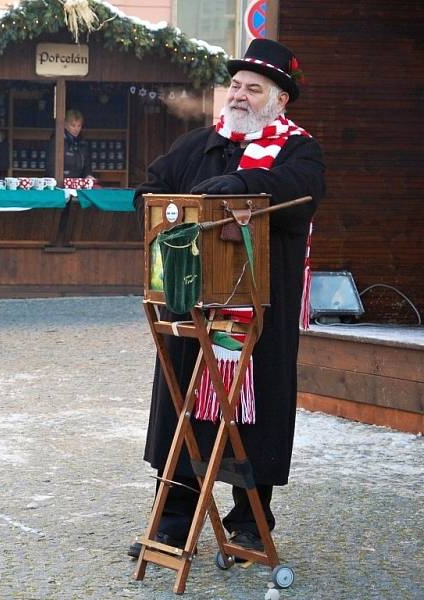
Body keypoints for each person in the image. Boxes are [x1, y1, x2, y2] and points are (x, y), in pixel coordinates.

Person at [128, 39, 326, 557]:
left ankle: (250, 522)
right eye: (235, 85)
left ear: (279, 100)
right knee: (182, 413)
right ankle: (172, 520)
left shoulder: (299, 148)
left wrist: (241, 182)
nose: (238, 95)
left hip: (258, 313)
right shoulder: (198, 143)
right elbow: (149, 190)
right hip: (189, 304)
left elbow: (298, 192)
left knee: (253, 417)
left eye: (253, 88)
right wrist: (161, 209)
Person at [45, 109, 92, 179]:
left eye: (79, 126)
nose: (76, 129)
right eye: (73, 125)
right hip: (58, 185)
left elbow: (86, 167)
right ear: (65, 125)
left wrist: (88, 176)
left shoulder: (83, 144)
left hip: (78, 185)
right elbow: (51, 169)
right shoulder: (57, 142)